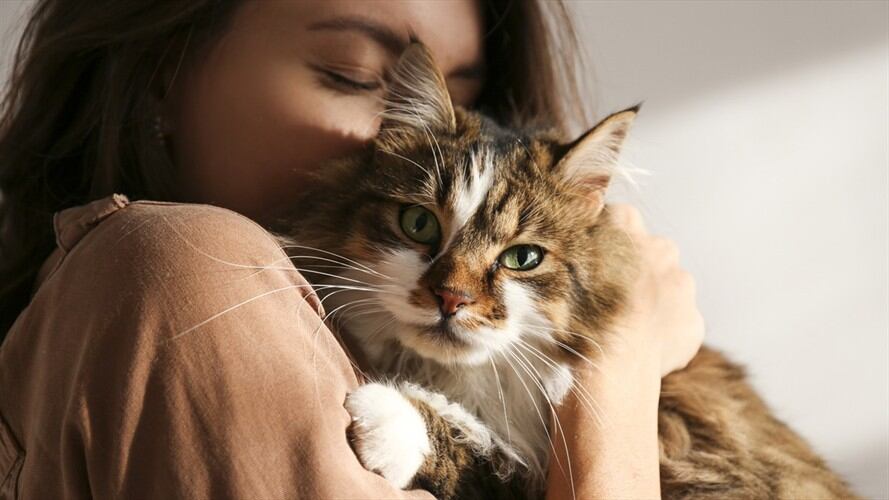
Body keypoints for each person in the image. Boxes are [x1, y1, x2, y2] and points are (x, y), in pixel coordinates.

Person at [0, 1, 704, 498]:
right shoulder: (188, 267)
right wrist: (619, 370)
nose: (405, 140)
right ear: (160, 69)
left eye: (465, 99)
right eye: (358, 76)